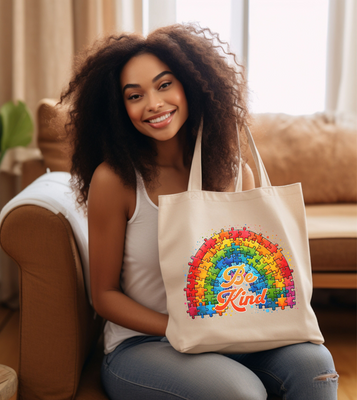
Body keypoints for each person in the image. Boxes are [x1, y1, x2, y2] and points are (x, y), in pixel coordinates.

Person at [59, 23, 338, 400]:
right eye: (135, 95)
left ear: (191, 85)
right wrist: (182, 325)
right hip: (146, 344)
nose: (154, 104)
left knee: (315, 367)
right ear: (119, 108)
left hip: (239, 332)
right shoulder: (115, 180)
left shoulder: (236, 170)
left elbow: (254, 266)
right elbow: (104, 295)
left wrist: (229, 324)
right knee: (240, 393)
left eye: (164, 85)